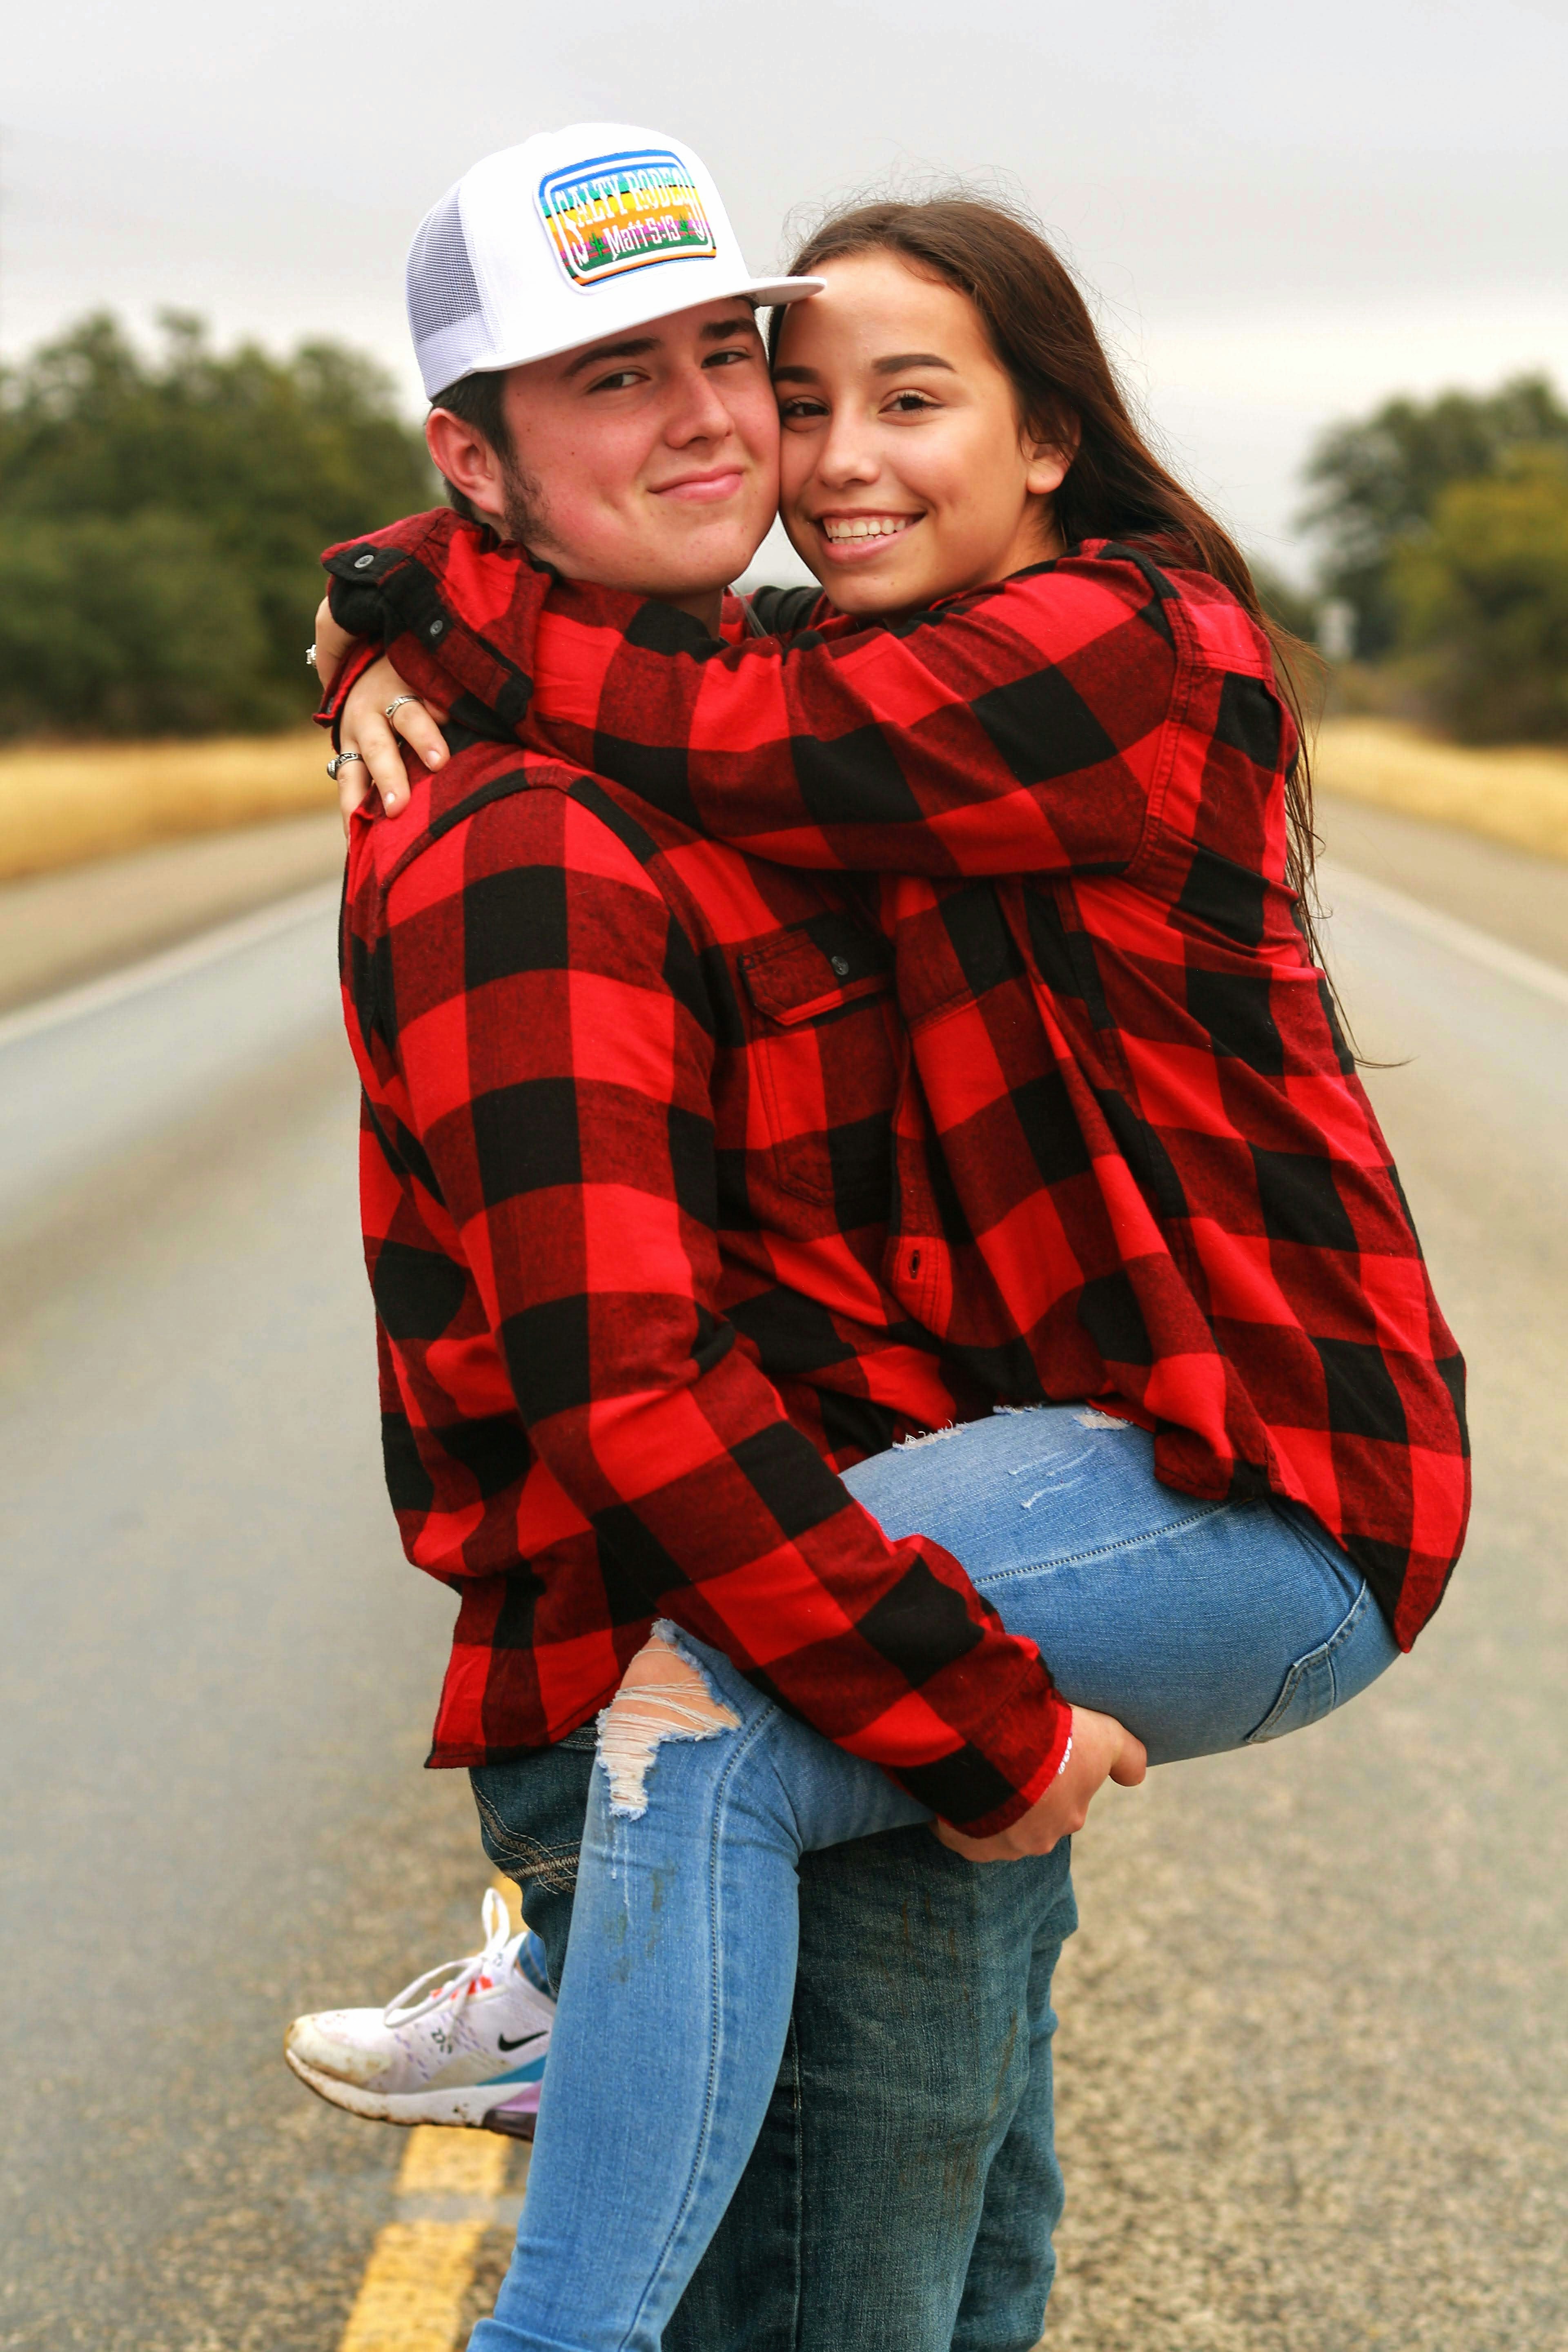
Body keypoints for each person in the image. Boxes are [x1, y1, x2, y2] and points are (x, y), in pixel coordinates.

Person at [317, 194, 1469, 2352]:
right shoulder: (713, 735)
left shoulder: (1127, 643)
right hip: (1045, 1480)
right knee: (957, 2257)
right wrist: (412, 602)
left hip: (1274, 1465)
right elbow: (671, 675)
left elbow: (720, 722)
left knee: (712, 1749)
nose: (817, 452)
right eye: (805, 388)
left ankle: (555, 2229)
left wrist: (406, 598)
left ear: (1052, 440)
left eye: (904, 401)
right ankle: (583, 2017)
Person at [294, 125, 1130, 2352]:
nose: (700, 415)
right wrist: (974, 1723)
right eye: (605, 380)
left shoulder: (745, 715)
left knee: (960, 2298)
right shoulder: (530, 848)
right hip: (759, 1716)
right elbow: (631, 1396)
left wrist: (386, 598)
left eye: (722, 350)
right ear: (480, 463)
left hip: (854, 1662)